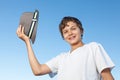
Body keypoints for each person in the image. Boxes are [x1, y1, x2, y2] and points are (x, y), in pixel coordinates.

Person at [16, 16, 115, 80]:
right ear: (63, 37)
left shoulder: (93, 48)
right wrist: (27, 42)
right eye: (66, 31)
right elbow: (38, 70)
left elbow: (107, 77)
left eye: (73, 28)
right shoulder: (61, 58)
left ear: (82, 31)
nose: (70, 33)